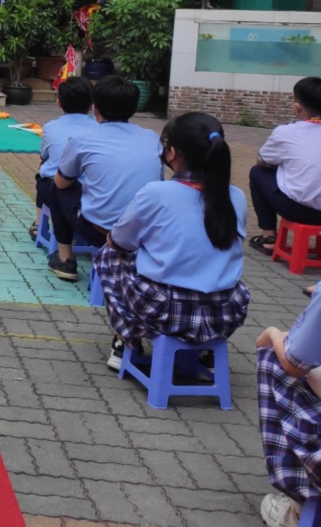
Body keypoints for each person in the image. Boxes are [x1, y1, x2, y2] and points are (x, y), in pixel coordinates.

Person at [93, 112, 250, 370]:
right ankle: (206, 351)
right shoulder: (237, 196)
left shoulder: (156, 193)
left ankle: (125, 340)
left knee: (109, 256)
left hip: (164, 312)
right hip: (225, 312)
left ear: (172, 153)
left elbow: (119, 242)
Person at [48, 76, 163, 282]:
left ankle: (65, 258)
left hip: (101, 232)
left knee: (56, 187)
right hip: (145, 232)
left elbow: (62, 182)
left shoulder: (82, 138)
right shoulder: (152, 138)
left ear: (95, 108)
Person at [254, 279, 321, 527]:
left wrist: (272, 334)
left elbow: (294, 364)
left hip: (166, 309)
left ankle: (303, 504)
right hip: (225, 311)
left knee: (275, 359)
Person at [249, 77, 321, 256]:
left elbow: (262, 161)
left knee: (257, 172)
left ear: (296, 107)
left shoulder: (286, 132)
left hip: (298, 210)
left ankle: (269, 238)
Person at [30, 76, 95, 239]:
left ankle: (39, 224)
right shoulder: (98, 128)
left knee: (43, 175)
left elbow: (44, 156)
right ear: (92, 104)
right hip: (91, 191)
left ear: (59, 102)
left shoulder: (50, 127)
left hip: (56, 189)